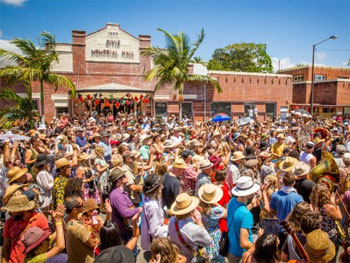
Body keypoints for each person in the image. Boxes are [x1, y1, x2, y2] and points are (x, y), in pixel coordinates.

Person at [1, 193, 50, 263]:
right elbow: (6, 246)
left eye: (12, 211)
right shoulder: (9, 222)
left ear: (22, 210)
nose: (9, 213)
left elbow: (46, 243)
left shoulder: (40, 219)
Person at [262, 172, 303, 247]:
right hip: (292, 230)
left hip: (279, 229)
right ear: (294, 183)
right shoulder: (298, 197)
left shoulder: (275, 195)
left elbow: (269, 209)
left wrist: (264, 192)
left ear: (283, 182)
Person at [168, 192, 211, 263]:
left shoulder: (172, 220)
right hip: (191, 259)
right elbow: (208, 240)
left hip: (178, 256)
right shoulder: (192, 228)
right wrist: (199, 221)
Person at [227, 176, 261, 263]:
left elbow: (237, 215)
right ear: (249, 194)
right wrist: (259, 246)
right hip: (241, 255)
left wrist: (251, 206)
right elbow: (244, 243)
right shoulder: (246, 215)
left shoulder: (232, 202)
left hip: (231, 250)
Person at [108, 168, 141, 251]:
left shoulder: (118, 192)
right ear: (119, 180)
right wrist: (139, 209)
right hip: (124, 231)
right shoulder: (117, 195)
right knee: (130, 254)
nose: (126, 176)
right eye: (124, 176)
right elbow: (125, 213)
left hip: (125, 229)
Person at [64, 195, 97, 263]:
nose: (84, 205)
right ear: (75, 210)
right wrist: (100, 230)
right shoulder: (79, 228)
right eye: (81, 204)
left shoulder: (66, 219)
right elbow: (93, 244)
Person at [198, 184, 226, 263]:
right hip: (214, 235)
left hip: (204, 232)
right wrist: (216, 203)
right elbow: (227, 213)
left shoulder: (200, 207)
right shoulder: (215, 210)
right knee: (216, 257)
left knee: (207, 256)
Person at [141, 174, 168, 254]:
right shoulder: (153, 206)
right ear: (156, 189)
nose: (162, 187)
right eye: (160, 185)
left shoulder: (149, 199)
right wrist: (168, 226)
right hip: (157, 244)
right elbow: (155, 231)